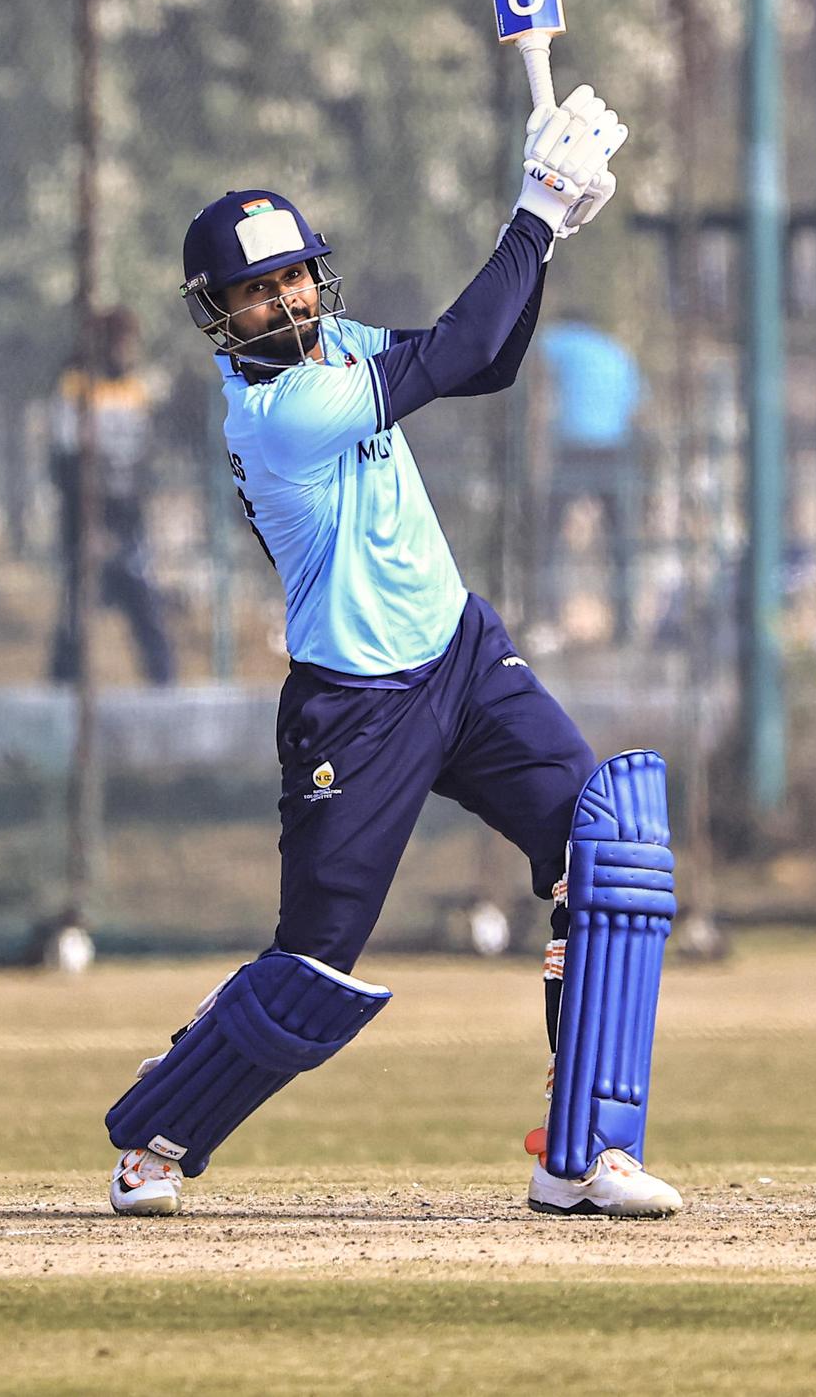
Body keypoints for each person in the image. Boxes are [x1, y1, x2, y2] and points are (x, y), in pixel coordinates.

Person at [104, 86, 681, 1220]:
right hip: (355, 705)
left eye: (293, 277)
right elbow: (465, 340)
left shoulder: (346, 344)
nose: (282, 301)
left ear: (320, 275)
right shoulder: (277, 414)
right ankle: (161, 1130)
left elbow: (488, 363)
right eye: (255, 291)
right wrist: (535, 212)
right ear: (218, 314)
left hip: (463, 659)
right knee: (315, 959)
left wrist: (551, 236)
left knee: (602, 848)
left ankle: (585, 1149)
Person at [48, 307, 175, 686]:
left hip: (128, 522)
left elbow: (143, 461)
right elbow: (66, 464)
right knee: (77, 612)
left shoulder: (136, 390)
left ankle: (164, 688)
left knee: (145, 605)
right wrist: (91, 525)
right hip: (86, 522)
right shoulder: (75, 387)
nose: (126, 349)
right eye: (118, 341)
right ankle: (61, 692)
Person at [537, 309, 644, 641]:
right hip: (613, 448)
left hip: (573, 447)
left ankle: (544, 614)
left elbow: (529, 351)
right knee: (619, 536)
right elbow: (637, 405)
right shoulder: (618, 352)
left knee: (550, 533)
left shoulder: (563, 339)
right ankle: (625, 624)